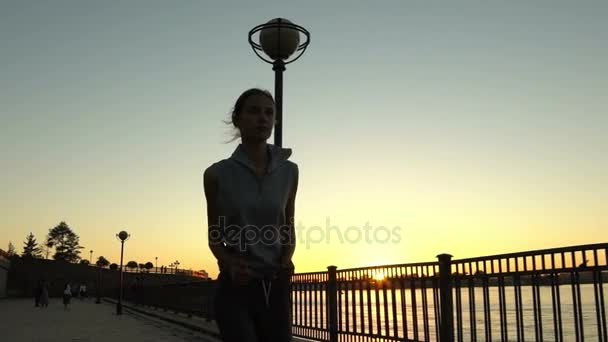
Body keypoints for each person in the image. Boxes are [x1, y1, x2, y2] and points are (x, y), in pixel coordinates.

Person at [204, 88, 298, 342]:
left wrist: (287, 258)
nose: (263, 118)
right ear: (237, 118)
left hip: (275, 287)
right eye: (254, 111)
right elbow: (214, 236)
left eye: (269, 113)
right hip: (236, 287)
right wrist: (230, 263)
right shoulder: (215, 175)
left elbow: (288, 226)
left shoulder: (290, 171)